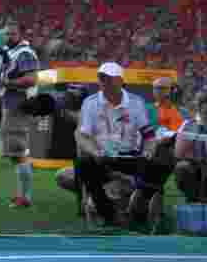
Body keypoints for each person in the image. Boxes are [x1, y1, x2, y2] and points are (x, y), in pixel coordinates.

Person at [75, 62, 175, 228]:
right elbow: (83, 135)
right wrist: (95, 152)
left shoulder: (136, 102)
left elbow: (148, 134)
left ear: (121, 81)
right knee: (84, 164)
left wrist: (149, 149)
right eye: (102, 78)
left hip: (131, 156)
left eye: (109, 79)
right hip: (103, 156)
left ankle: (139, 205)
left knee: (164, 160)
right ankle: (109, 215)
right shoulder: (90, 103)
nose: (105, 82)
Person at [0, 18, 40, 208]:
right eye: (6, 33)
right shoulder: (11, 52)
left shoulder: (25, 53)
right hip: (11, 104)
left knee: (18, 151)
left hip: (18, 104)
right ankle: (23, 194)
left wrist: (7, 84)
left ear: (21, 34)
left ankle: (26, 197)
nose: (9, 36)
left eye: (12, 33)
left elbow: (31, 79)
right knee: (16, 152)